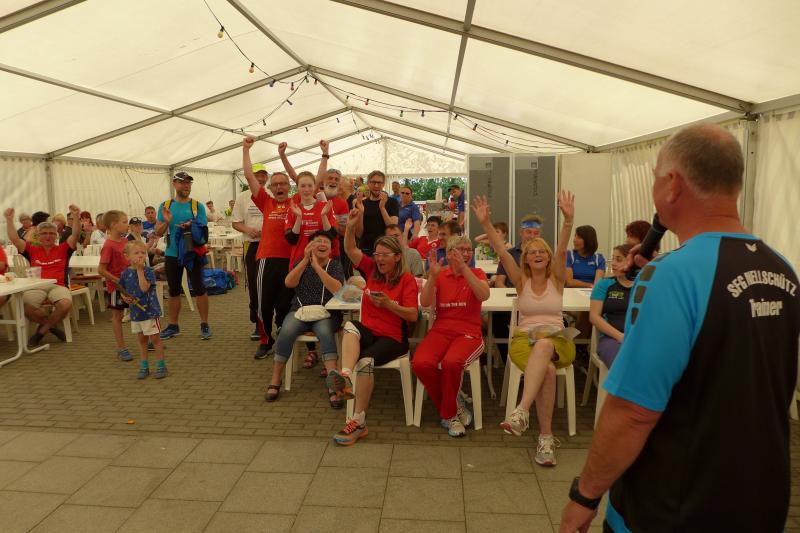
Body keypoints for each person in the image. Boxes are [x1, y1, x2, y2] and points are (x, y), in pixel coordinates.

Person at [559, 124, 800, 533]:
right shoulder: (782, 268)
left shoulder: (670, 275)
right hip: (761, 497)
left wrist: (585, 495)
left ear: (672, 184)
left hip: (672, 505)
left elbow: (632, 411)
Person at [472, 192, 576, 467]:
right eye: (532, 252)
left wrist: (568, 220)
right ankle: (545, 439)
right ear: (526, 259)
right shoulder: (520, 281)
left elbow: (563, 249)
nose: (538, 254)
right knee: (548, 370)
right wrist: (486, 223)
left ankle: (521, 410)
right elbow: (502, 251)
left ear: (549, 257)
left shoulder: (556, 279)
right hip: (523, 341)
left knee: (545, 345)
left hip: (558, 340)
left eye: (542, 251)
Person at [326, 206, 418, 445]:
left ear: (397, 257)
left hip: (393, 338)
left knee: (366, 361)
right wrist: (350, 226)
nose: (379, 259)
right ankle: (345, 377)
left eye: (385, 255)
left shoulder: (406, 280)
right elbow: (350, 249)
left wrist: (389, 305)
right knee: (350, 326)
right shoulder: (372, 270)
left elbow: (413, 316)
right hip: (370, 333)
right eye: (377, 254)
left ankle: (358, 422)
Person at [413, 235, 489, 437]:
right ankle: (454, 405)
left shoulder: (477, 273)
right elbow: (425, 302)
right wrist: (432, 277)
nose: (466, 253)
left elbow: (484, 295)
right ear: (448, 254)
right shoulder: (440, 274)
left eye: (468, 250)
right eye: (461, 250)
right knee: (420, 363)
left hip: (469, 333)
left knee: (451, 363)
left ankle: (449, 416)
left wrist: (464, 268)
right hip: (441, 331)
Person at [265, 231, 345, 406]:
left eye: (326, 242)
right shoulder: (300, 263)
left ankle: (334, 384)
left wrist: (317, 267)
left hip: (327, 313)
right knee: (286, 330)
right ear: (310, 246)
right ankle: (276, 378)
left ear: (331, 249)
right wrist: (304, 261)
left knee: (325, 332)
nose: (322, 244)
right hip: (300, 311)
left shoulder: (335, 265)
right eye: (318, 241)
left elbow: (337, 289)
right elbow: (289, 283)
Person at [243, 138, 294, 359]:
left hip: (290, 260)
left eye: (283, 184)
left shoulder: (296, 202)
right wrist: (246, 149)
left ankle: (283, 336)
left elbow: (305, 180)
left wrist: (283, 156)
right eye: (276, 184)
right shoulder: (266, 202)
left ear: (289, 187)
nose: (280, 187)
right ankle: (265, 341)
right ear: (270, 188)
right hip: (266, 259)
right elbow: (249, 176)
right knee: (263, 303)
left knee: (285, 303)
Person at [4, 205, 82, 346]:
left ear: (56, 236)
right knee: (25, 308)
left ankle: (41, 332)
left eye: (51, 233)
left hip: (58, 285)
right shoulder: (31, 250)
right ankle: (51, 326)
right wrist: (9, 220)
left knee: (65, 304)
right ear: (38, 236)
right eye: (44, 233)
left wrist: (76, 217)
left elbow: (75, 234)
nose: (47, 236)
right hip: (36, 286)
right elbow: (15, 239)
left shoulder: (64, 248)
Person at [155, 172, 212, 341]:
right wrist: (167, 221)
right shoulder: (165, 206)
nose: (186, 185)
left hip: (192, 253)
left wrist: (190, 224)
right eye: (182, 182)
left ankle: (205, 324)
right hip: (172, 253)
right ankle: (173, 326)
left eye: (188, 183)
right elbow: (158, 232)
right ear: (174, 184)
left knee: (199, 288)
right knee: (173, 291)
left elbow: (202, 227)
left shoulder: (197, 206)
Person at [119, 240, 167, 379]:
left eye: (143, 252)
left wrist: (140, 270)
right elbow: (122, 289)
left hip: (150, 311)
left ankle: (161, 365)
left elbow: (144, 288)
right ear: (127, 256)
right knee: (141, 340)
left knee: (155, 339)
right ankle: (144, 366)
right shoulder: (125, 273)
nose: (140, 255)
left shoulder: (148, 271)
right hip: (136, 312)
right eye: (136, 253)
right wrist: (125, 297)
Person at [232, 164, 266, 342]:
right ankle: (258, 325)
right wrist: (248, 230)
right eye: (257, 175)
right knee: (254, 286)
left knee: (274, 285)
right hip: (252, 245)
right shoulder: (243, 197)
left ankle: (279, 322)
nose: (260, 178)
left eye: (263, 175)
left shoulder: (272, 194)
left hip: (271, 246)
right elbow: (235, 222)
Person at [588, 244, 633, 368]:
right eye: (613, 259)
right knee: (621, 362)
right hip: (611, 338)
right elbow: (594, 317)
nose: (613, 263)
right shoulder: (604, 284)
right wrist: (620, 336)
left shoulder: (643, 285)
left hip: (638, 337)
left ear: (632, 262)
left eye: (618, 259)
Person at [98, 210, 134, 361]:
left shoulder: (125, 241)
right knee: (117, 316)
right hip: (116, 288)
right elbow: (101, 270)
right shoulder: (108, 246)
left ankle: (147, 339)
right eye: (124, 222)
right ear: (113, 225)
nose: (128, 225)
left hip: (131, 284)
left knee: (139, 312)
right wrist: (118, 280)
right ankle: (121, 348)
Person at [354, 170, 399, 255]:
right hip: (366, 249)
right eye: (373, 182)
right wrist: (361, 213)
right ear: (368, 183)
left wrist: (382, 208)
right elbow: (359, 234)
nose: (376, 185)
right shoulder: (361, 204)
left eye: (379, 183)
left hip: (387, 250)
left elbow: (392, 228)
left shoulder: (392, 202)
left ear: (383, 184)